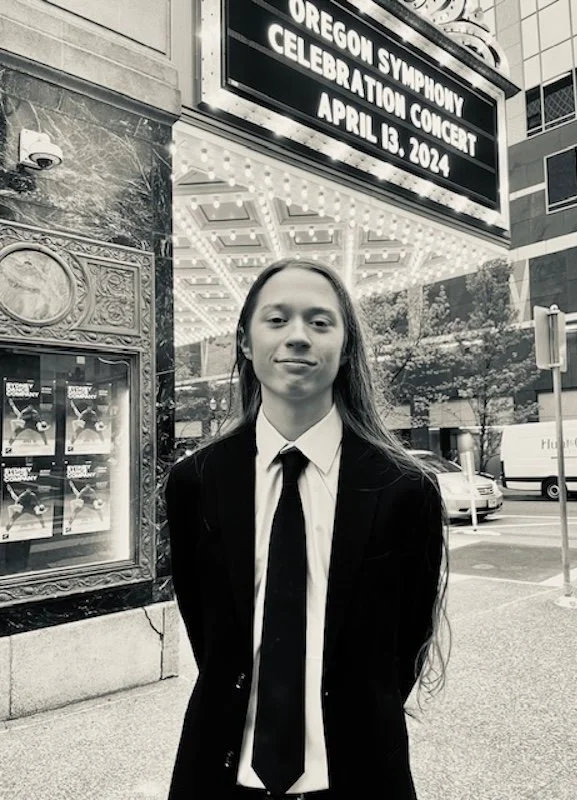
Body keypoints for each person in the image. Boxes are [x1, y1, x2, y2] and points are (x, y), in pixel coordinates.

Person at [166, 259, 448, 800]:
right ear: (245, 343)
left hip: (360, 776)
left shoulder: (405, 489)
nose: (298, 336)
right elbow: (209, 634)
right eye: (277, 319)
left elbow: (405, 643)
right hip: (220, 775)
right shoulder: (195, 481)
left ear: (346, 347)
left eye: (320, 322)